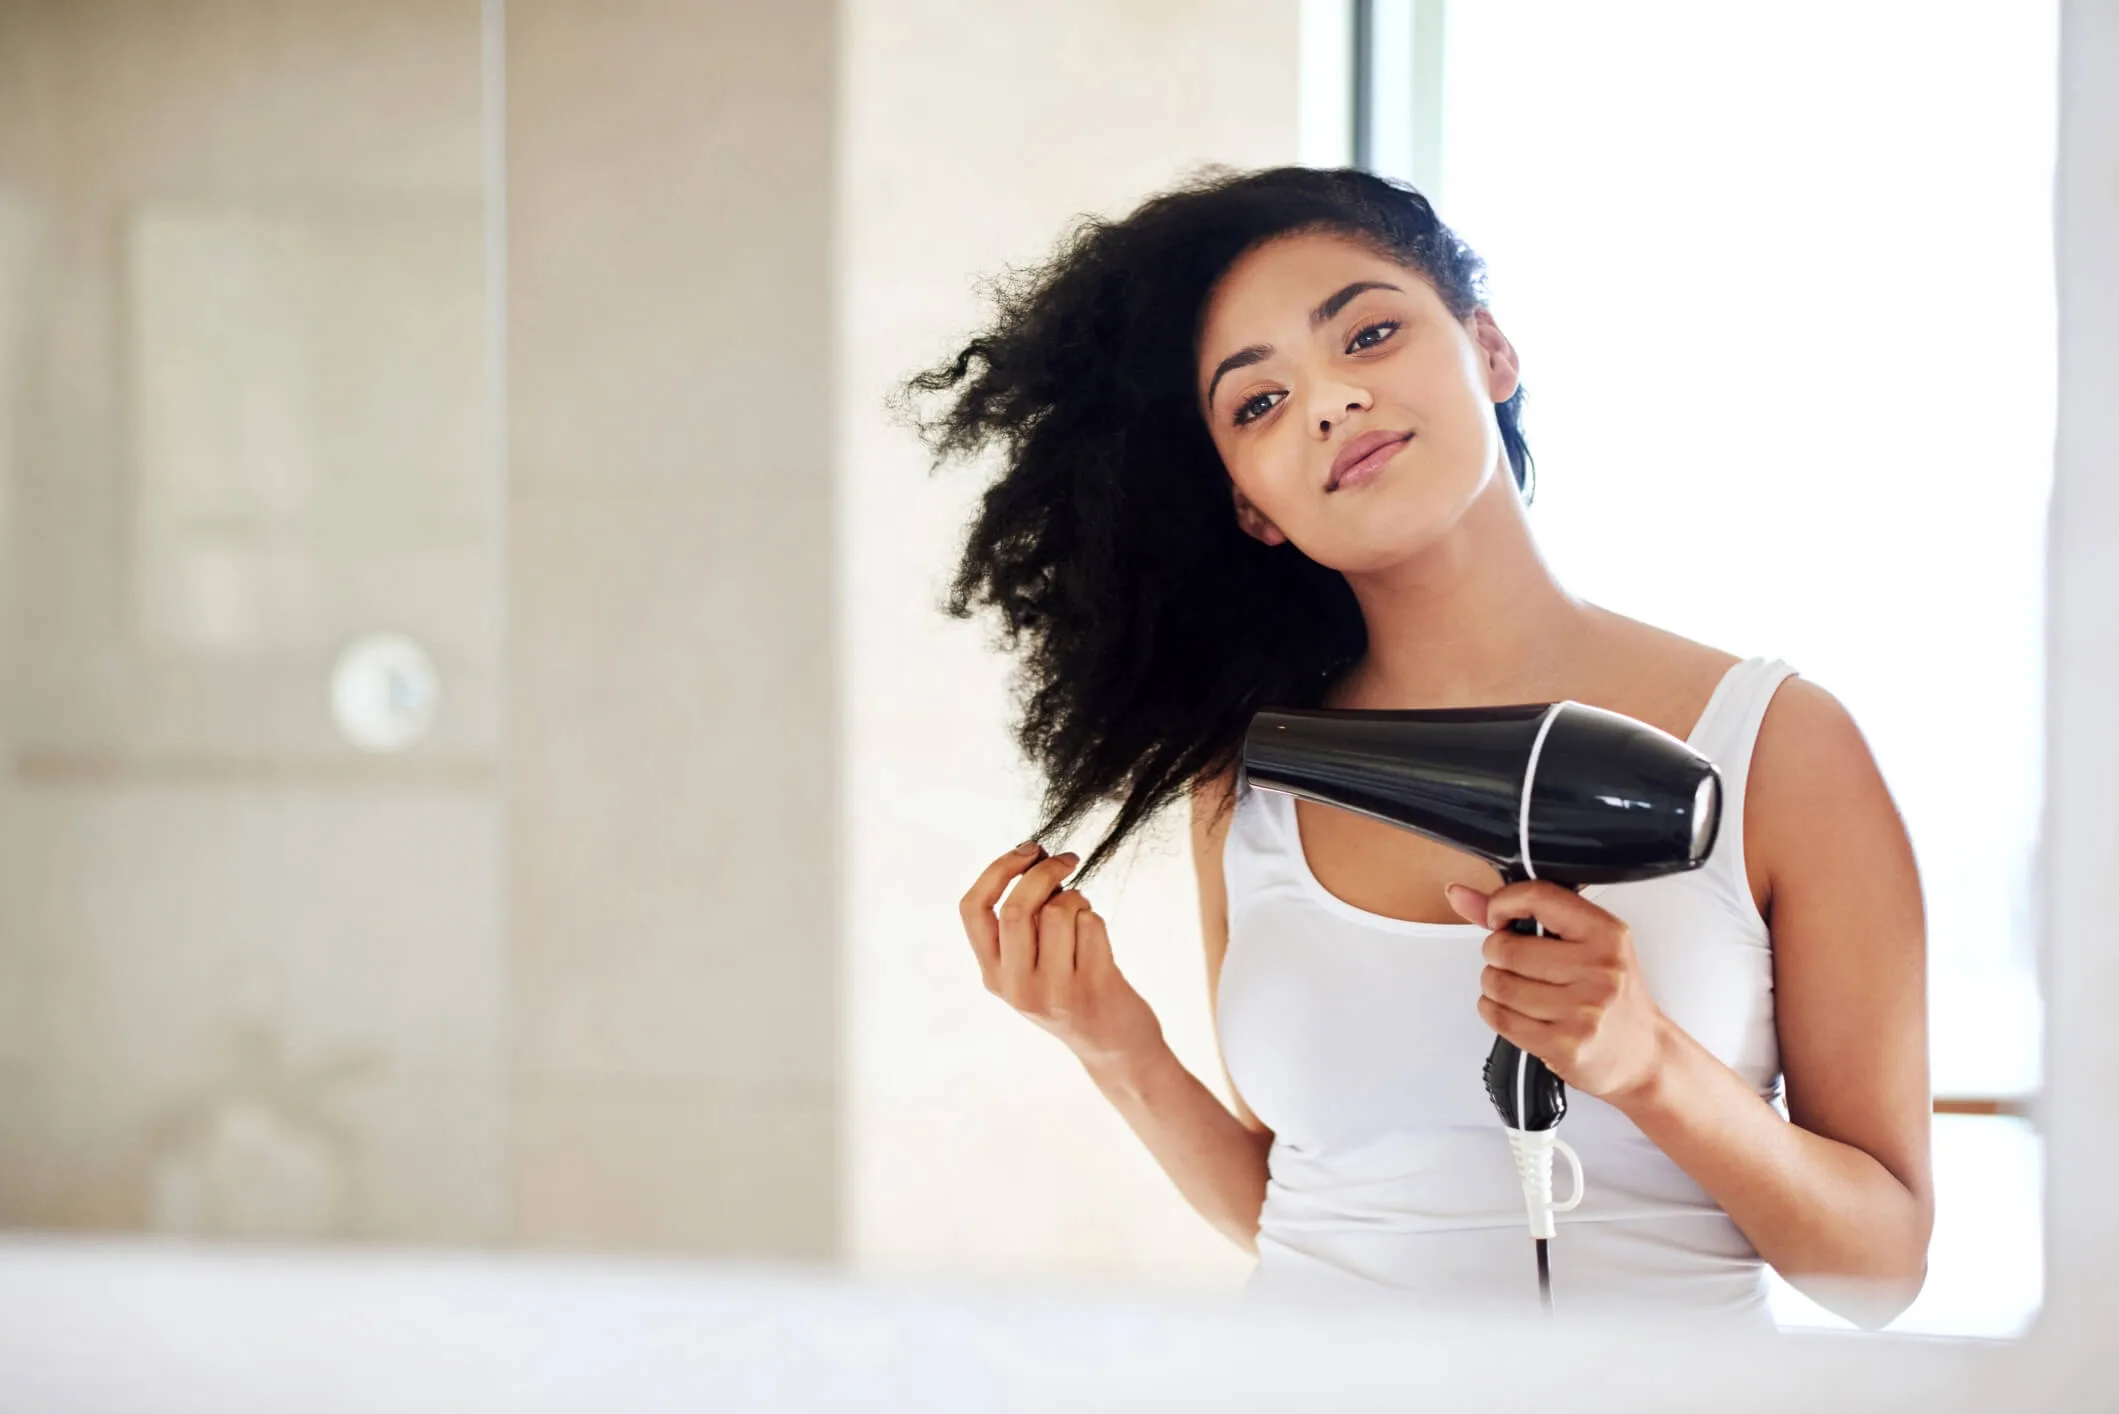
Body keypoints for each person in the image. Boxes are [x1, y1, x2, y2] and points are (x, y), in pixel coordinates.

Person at [911, 166, 1930, 1330]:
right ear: (1249, 504)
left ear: (1489, 349)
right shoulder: (1251, 776)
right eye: (1257, 404)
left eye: (1371, 333)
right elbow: (1308, 1211)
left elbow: (1882, 1267)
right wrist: (1113, 1043)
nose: (1330, 402)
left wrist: (1651, 1064)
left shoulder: (1777, 746)